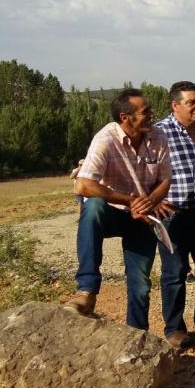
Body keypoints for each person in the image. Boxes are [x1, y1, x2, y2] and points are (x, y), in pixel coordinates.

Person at [64, 88, 171, 332]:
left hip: (143, 217)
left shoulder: (159, 137)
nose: (152, 115)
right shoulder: (105, 139)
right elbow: (83, 184)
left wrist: (148, 202)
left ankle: (137, 335)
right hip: (113, 211)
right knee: (92, 208)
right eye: (145, 112)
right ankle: (87, 290)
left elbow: (165, 180)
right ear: (125, 117)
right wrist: (130, 201)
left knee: (140, 282)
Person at [152, 81, 195, 348]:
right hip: (172, 213)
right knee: (175, 270)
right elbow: (145, 168)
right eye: (191, 102)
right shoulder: (159, 131)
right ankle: (175, 328)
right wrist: (153, 201)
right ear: (175, 105)